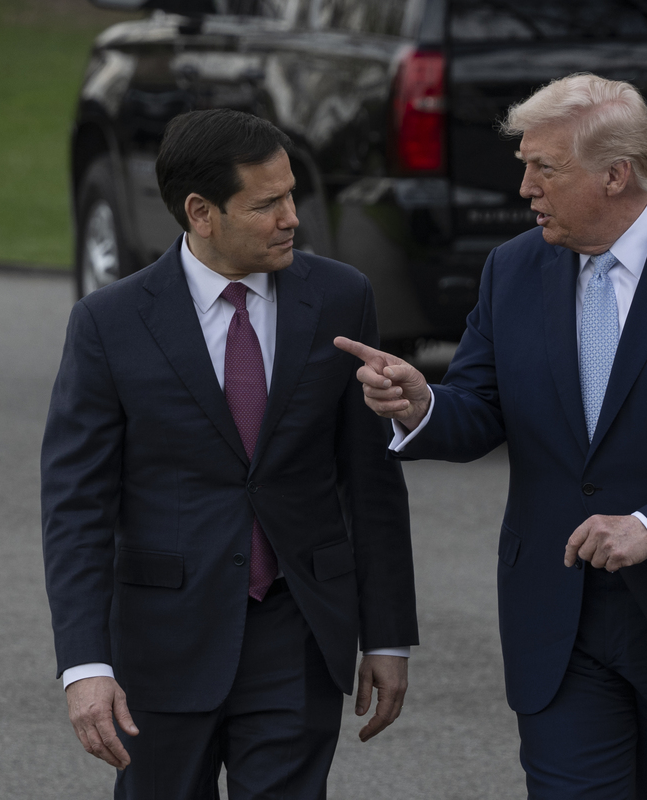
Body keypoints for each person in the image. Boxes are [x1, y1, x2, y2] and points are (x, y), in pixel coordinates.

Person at [336, 74, 647, 799]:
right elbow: (480, 406)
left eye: (544, 168)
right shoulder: (513, 270)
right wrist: (420, 403)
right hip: (559, 621)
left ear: (616, 174)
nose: (525, 186)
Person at [41, 109, 418, 800]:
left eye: (292, 195)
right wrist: (84, 664)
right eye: (266, 203)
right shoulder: (110, 323)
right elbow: (77, 506)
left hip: (297, 632)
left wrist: (388, 636)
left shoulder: (340, 299)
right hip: (160, 647)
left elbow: (372, 480)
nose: (292, 218)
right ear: (201, 213)